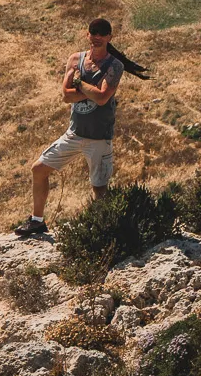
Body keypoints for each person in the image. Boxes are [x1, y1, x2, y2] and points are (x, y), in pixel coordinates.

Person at [14, 18, 140, 238]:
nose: (97, 36)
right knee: (39, 169)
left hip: (99, 137)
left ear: (110, 37)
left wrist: (79, 83)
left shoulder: (115, 66)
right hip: (74, 133)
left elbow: (102, 98)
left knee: (99, 187)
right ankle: (37, 221)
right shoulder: (75, 59)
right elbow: (66, 96)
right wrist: (91, 91)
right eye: (93, 32)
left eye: (102, 33)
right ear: (87, 34)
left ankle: (105, 231)